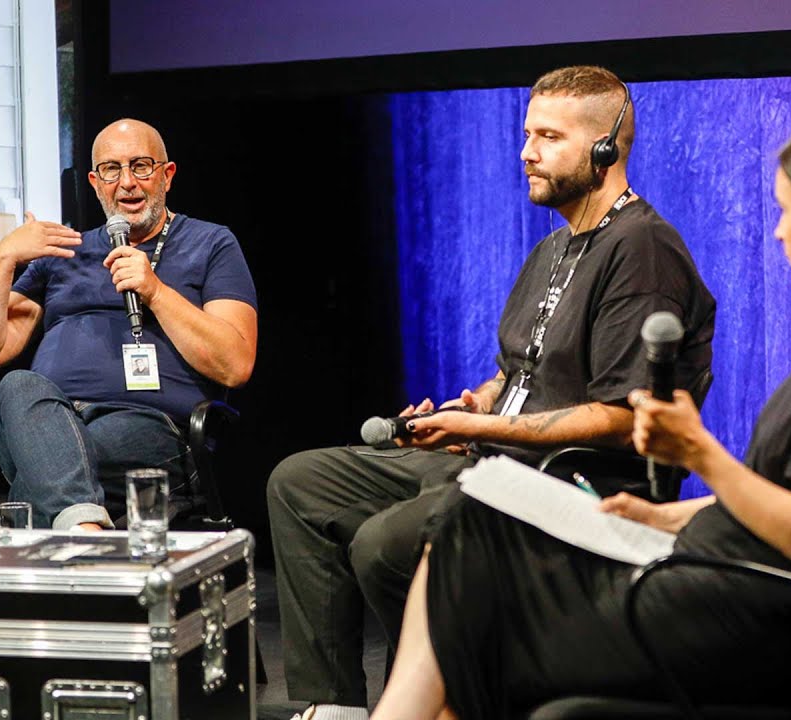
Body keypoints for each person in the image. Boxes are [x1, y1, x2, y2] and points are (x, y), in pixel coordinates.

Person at [370, 114, 791, 719]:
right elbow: (782, 493)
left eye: (788, 211)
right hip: (711, 581)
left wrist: (699, 452)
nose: (780, 232)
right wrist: (662, 514)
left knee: (473, 577)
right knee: (472, 527)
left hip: (741, 617)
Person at [267, 66, 716, 720]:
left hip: (576, 483)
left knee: (385, 542)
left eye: (548, 137)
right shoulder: (554, 250)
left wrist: (480, 432)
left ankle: (446, 698)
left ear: (604, 150)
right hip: (496, 458)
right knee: (302, 482)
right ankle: (334, 706)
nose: (525, 152)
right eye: (526, 133)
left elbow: (623, 419)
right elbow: (520, 372)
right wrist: (472, 406)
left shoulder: (642, 251)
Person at [0, 118, 257, 529]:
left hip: (148, 425)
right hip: (45, 416)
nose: (127, 182)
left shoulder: (211, 243)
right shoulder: (62, 251)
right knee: (18, 386)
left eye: (141, 166)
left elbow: (234, 364)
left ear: (166, 175)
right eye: (113, 170)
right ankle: (85, 533)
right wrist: (4, 258)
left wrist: (155, 291)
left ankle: (41, 516)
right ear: (96, 183)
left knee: (58, 456)